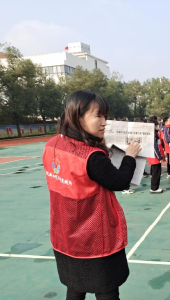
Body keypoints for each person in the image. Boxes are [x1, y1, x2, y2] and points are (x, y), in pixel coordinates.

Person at [43, 90, 141, 300]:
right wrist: (130, 156)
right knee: (106, 289)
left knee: (75, 286)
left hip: (65, 233)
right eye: (98, 116)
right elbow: (120, 181)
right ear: (78, 117)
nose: (105, 122)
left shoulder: (51, 145)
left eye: (105, 116)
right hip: (95, 238)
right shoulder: (91, 156)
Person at [147, 118, 164, 194]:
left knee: (156, 172)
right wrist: (159, 157)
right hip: (154, 156)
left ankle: (155, 186)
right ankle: (154, 188)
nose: (157, 126)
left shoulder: (154, 133)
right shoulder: (152, 134)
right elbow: (154, 147)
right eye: (156, 125)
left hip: (154, 156)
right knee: (156, 173)